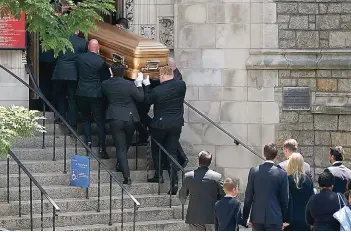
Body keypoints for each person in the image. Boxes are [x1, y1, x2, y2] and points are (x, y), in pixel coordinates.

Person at [143, 66, 186, 194]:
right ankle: (174, 182)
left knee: (157, 150)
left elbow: (146, 101)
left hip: (160, 125)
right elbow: (169, 86)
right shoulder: (181, 85)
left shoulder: (157, 91)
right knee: (171, 152)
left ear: (161, 76)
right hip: (176, 124)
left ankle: (159, 175)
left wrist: (146, 85)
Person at [102, 63, 144, 185]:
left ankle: (126, 175)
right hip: (130, 117)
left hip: (115, 117)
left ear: (111, 72)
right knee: (126, 144)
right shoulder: (129, 84)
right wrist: (140, 85)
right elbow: (140, 98)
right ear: (123, 72)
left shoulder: (105, 84)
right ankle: (121, 163)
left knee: (120, 147)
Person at [242, 143, 289, 231]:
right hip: (275, 217)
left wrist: (245, 216)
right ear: (276, 156)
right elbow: (284, 199)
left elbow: (248, 196)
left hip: (257, 217)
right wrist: (285, 218)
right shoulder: (282, 174)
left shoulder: (254, 171)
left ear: (264, 154)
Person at [76, 39, 110, 159]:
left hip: (82, 92)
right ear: (98, 48)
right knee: (100, 121)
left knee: (85, 117)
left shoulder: (80, 58)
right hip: (96, 94)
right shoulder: (101, 62)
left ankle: (88, 141)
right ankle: (102, 147)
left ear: (88, 47)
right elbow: (105, 79)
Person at [179, 151, 225, 231]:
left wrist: (183, 200)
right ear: (210, 162)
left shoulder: (188, 176)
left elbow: (182, 195)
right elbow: (224, 194)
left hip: (194, 216)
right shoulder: (217, 176)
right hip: (211, 216)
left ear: (198, 161)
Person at [52, 30, 87, 126]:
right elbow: (83, 58)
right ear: (78, 30)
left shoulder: (60, 40)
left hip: (60, 71)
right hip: (74, 72)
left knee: (60, 95)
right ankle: (72, 121)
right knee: (72, 97)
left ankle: (61, 117)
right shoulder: (82, 42)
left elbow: (54, 55)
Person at [285, 153, 314, 231]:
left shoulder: (286, 180)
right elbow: (311, 201)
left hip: (289, 220)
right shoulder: (308, 181)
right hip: (305, 220)